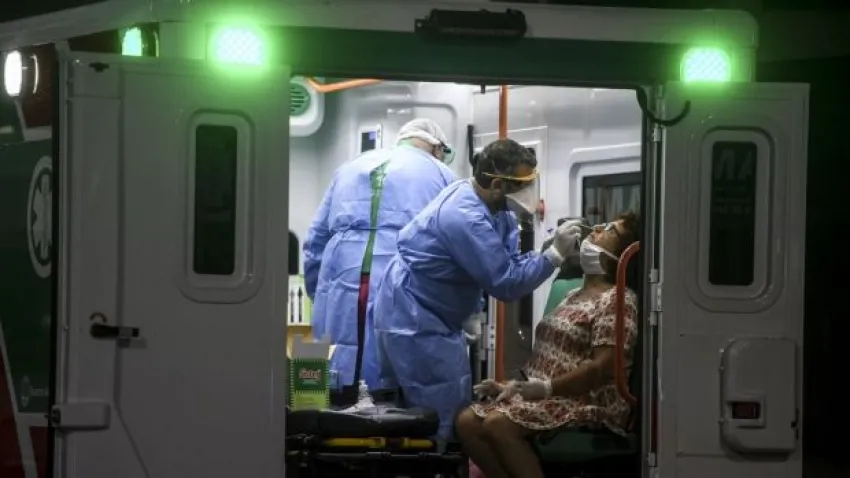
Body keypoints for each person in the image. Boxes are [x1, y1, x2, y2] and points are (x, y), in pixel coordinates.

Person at [372, 138, 584, 440]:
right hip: (414, 318)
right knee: (442, 413)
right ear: (497, 184)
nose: (528, 192)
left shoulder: (498, 211)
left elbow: (508, 263)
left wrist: (543, 253)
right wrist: (554, 256)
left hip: (431, 311)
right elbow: (506, 283)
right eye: (522, 185)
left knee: (441, 406)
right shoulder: (463, 215)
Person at [455, 211, 641, 478]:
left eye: (610, 230)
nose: (597, 229)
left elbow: (602, 367)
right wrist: (511, 386)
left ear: (621, 255)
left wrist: (547, 388)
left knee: (498, 424)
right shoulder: (571, 294)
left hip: (584, 400)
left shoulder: (617, 299)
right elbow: (551, 359)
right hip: (549, 394)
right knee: (466, 422)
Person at [303, 118, 457, 390]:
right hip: (402, 281)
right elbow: (456, 244)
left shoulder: (349, 168)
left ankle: (334, 409)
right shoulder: (442, 174)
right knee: (394, 370)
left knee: (337, 369)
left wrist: (320, 293)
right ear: (436, 148)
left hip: (342, 278)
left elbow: (315, 240)